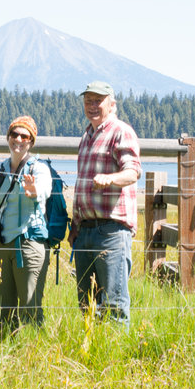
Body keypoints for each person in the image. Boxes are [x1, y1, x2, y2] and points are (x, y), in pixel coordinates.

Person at [68, 81, 141, 324]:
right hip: (85, 231)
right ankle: (92, 355)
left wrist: (110, 179)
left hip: (112, 230)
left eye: (98, 100)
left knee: (114, 304)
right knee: (87, 303)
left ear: (111, 104)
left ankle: (117, 358)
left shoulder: (121, 131)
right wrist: (75, 224)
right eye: (88, 100)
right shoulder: (87, 135)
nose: (92, 106)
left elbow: (132, 172)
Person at [0, 116, 52, 334]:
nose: (18, 139)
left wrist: (33, 192)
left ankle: (32, 354)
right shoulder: (0, 169)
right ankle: (6, 350)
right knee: (1, 308)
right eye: (14, 134)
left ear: (31, 141)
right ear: (8, 138)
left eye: (24, 135)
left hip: (28, 245)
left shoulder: (38, 169)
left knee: (30, 306)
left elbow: (44, 190)